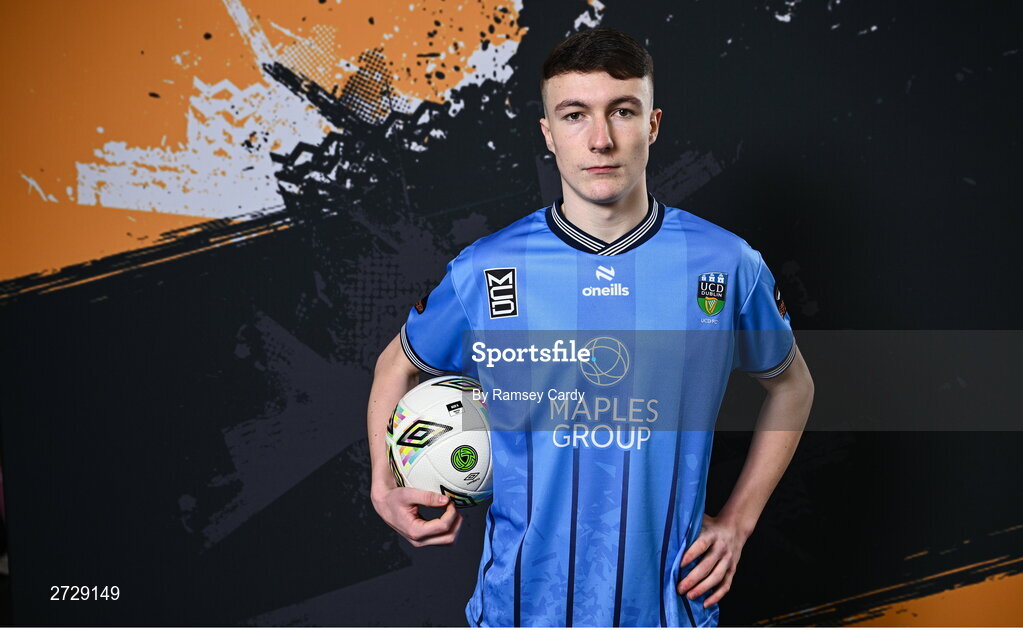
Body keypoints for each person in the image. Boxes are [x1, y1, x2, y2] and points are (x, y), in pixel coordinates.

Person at [368, 26, 814, 627]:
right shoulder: (487, 269)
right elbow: (396, 365)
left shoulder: (726, 265)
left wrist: (738, 521)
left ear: (652, 125)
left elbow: (793, 386)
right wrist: (383, 481)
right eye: (575, 115)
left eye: (621, 111)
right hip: (519, 610)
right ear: (549, 135)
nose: (600, 140)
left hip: (666, 610)